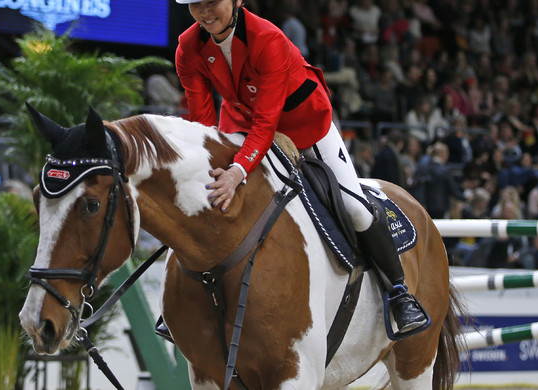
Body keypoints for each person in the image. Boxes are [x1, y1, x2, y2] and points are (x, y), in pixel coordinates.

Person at [171, 0, 427, 337]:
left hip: (304, 124)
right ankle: (185, 297)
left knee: (355, 208)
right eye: (195, 5)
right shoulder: (188, 47)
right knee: (208, 191)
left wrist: (237, 171)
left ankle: (399, 293)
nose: (204, 12)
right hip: (240, 123)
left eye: (212, 2)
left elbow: (267, 125)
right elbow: (201, 120)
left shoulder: (268, 39)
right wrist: (210, 165)